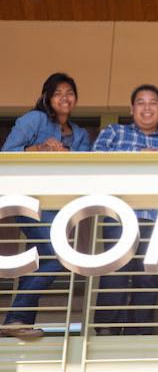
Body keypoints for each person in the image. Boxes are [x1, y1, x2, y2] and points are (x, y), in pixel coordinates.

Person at [1, 72, 90, 339]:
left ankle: (17, 322)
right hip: (27, 199)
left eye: (69, 93)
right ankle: (15, 318)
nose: (65, 98)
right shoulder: (34, 119)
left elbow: (86, 167)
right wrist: (39, 148)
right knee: (58, 256)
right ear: (47, 98)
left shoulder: (81, 134)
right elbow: (7, 152)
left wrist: (67, 154)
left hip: (57, 208)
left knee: (45, 259)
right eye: (58, 93)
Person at [92, 84, 158, 335]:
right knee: (116, 272)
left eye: (152, 102)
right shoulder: (115, 131)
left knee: (148, 277)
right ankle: (106, 330)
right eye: (141, 103)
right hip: (120, 214)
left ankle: (138, 332)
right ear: (132, 109)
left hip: (157, 218)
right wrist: (138, 153)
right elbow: (96, 156)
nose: (147, 108)